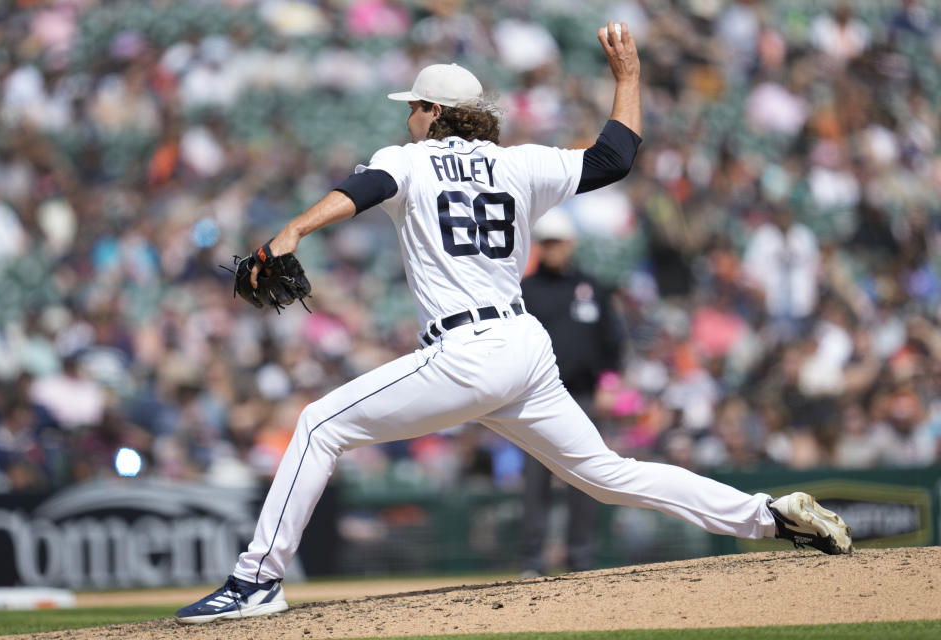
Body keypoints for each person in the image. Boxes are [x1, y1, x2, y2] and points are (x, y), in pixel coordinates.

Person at [176, 22, 853, 625]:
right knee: (607, 474)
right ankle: (769, 514)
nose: (409, 117)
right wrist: (629, 79)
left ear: (434, 112)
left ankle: (256, 580)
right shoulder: (520, 163)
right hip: (525, 349)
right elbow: (615, 156)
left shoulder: (406, 160)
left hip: (469, 351)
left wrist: (291, 230)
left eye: (414, 107)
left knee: (322, 424)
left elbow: (364, 192)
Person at [519, 208, 622, 575]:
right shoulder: (525, 290)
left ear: (571, 244)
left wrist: (609, 385)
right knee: (535, 484)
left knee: (586, 478)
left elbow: (612, 342)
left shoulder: (591, 287)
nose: (553, 249)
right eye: (546, 243)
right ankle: (533, 562)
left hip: (583, 396)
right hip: (536, 399)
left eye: (558, 242)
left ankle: (581, 560)